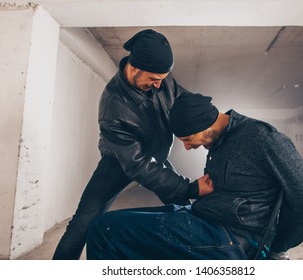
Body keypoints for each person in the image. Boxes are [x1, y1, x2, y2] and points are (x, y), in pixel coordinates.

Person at [86, 93, 303, 260]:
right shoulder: (220, 139)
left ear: (206, 126)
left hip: (234, 235)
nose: (188, 147)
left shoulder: (265, 140)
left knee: (104, 231)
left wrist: (278, 251)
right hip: (201, 216)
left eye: (188, 140)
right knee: (107, 223)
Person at [52, 30, 213, 260]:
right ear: (135, 67)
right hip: (118, 162)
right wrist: (191, 187)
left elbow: (184, 102)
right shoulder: (113, 107)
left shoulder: (161, 79)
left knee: (184, 209)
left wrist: (210, 117)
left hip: (155, 157)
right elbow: (138, 166)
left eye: (163, 78)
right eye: (154, 79)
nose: (159, 85)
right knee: (82, 224)